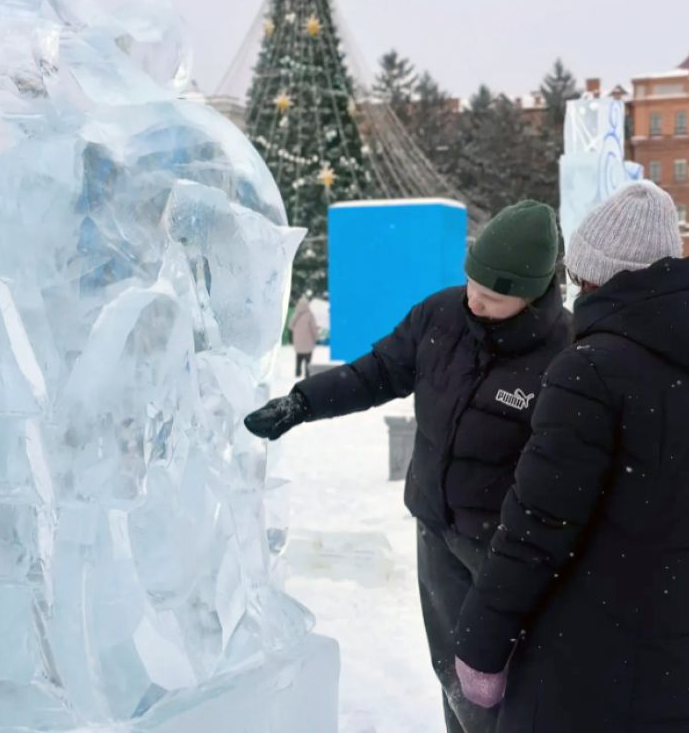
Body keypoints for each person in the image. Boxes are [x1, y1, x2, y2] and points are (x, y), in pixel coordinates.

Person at [244, 200, 571, 733]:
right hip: (436, 529)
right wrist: (303, 403)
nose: (474, 301)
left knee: (500, 680)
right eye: (471, 285)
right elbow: (377, 372)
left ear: (532, 294)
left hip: (504, 549)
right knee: (452, 672)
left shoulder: (564, 355)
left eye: (491, 297)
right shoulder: (441, 316)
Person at [452, 182, 689, 732]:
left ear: (596, 278)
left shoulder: (591, 371)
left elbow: (537, 525)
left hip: (604, 671)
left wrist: (481, 644)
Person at [289, 294, 320, 377]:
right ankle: (307, 374)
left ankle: (297, 373)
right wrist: (317, 338)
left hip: (298, 342)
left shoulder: (295, 315)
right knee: (307, 359)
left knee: (299, 357)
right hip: (308, 342)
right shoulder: (310, 315)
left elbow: (290, 326)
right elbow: (313, 328)